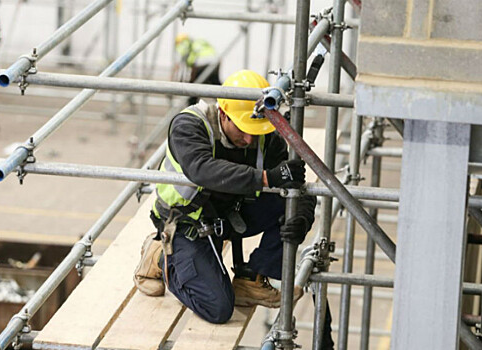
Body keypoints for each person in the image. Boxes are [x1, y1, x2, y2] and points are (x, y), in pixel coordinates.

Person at [134, 70, 334, 348]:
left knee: (290, 203)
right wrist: (266, 178)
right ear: (224, 113)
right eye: (243, 130)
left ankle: (250, 278)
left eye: (255, 131)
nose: (250, 140)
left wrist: (301, 214)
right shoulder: (189, 125)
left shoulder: (261, 132)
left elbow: (298, 182)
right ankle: (160, 258)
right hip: (185, 224)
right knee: (217, 308)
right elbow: (201, 169)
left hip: (226, 215)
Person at [173, 33, 221, 105]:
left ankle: (191, 108)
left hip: (202, 65)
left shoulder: (185, 45)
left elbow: (192, 65)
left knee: (193, 89)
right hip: (215, 63)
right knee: (216, 86)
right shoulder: (199, 42)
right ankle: (223, 103)